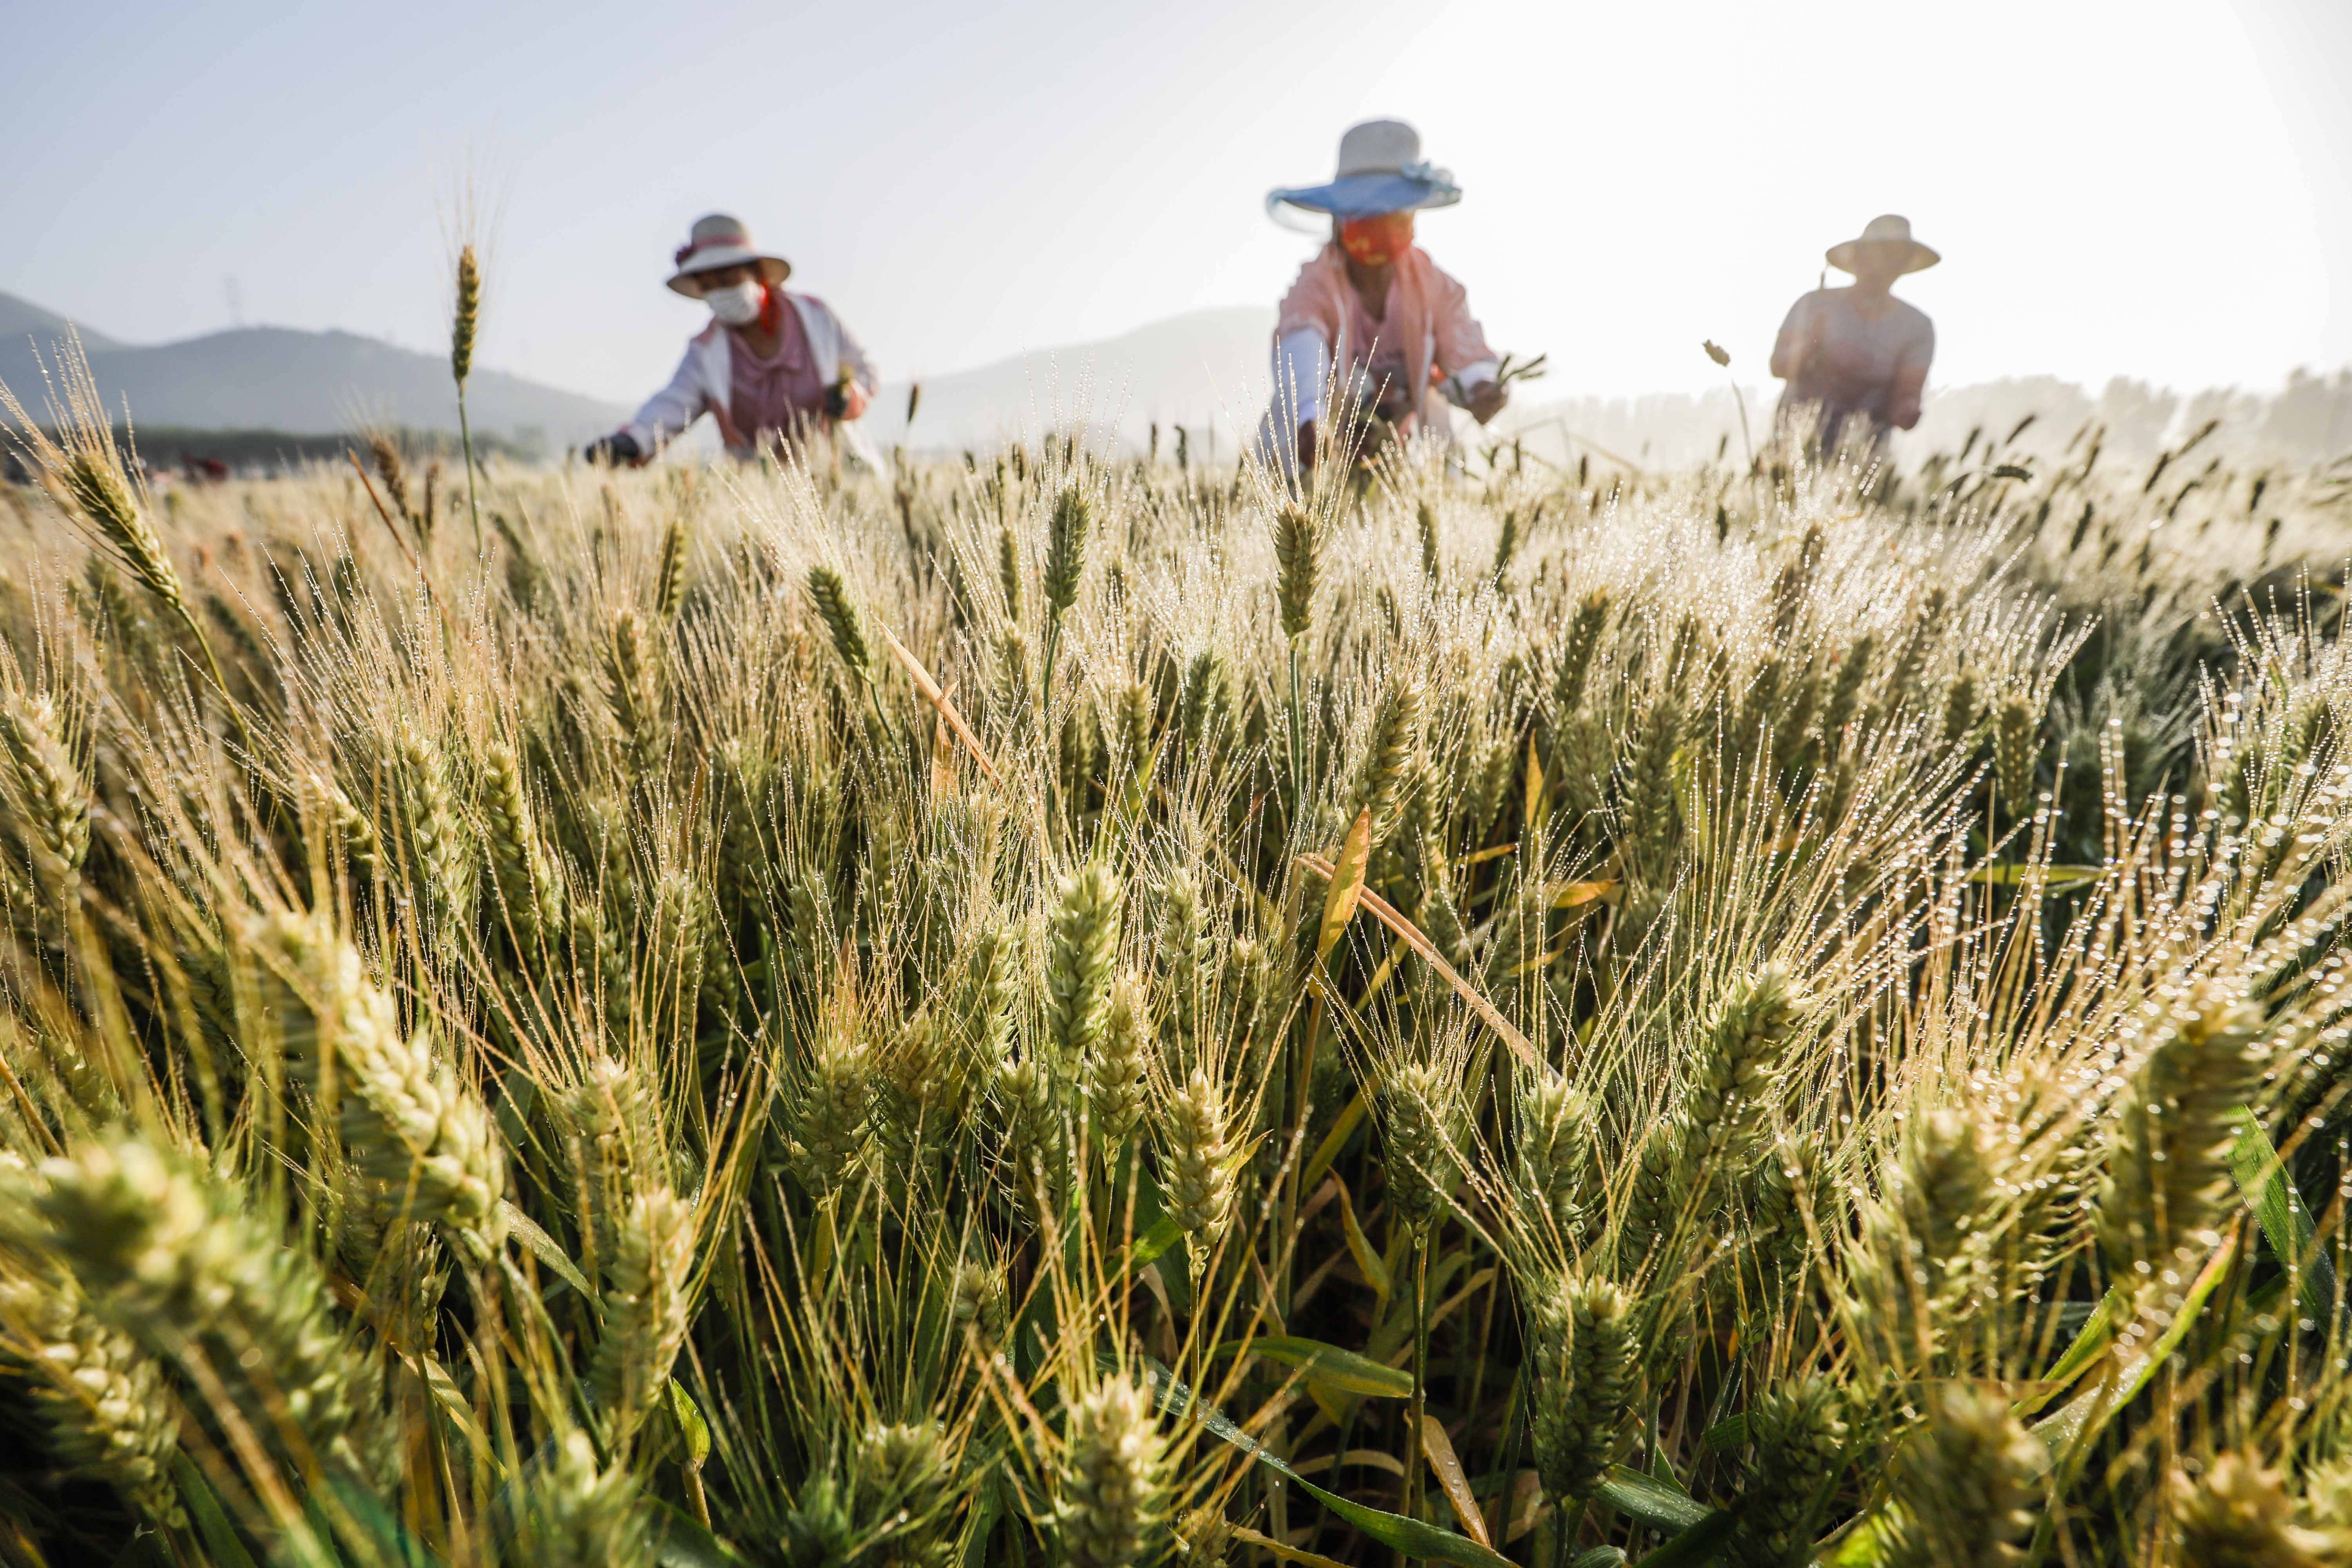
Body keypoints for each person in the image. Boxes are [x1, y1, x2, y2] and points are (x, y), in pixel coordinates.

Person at [1260, 120, 1506, 476]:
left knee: (1436, 415)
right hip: (1326, 442)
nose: (1381, 234)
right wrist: (1309, 416)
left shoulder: (1431, 285)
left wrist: (1480, 385)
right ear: (1342, 222)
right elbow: (1302, 342)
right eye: (1368, 219)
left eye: (1394, 219)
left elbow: (1463, 348)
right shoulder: (1318, 283)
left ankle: (1440, 487)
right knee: (1292, 436)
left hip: (1402, 446)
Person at [583, 213, 880, 467]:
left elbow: (866, 372)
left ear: (756, 273)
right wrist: (634, 440)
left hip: (839, 472)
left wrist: (850, 396)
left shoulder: (816, 317)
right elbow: (673, 405)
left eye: (727, 280)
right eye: (708, 286)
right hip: (763, 495)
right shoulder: (705, 351)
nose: (720, 292)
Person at [1769, 214, 1938, 454]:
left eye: (1895, 258)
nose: (1885, 266)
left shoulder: (1917, 326)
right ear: (1858, 257)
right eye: (1879, 254)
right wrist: (1812, 343)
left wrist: (1908, 410)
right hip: (1793, 443)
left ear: (1903, 266)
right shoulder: (1814, 304)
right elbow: (1778, 367)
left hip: (1862, 455)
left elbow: (1908, 394)